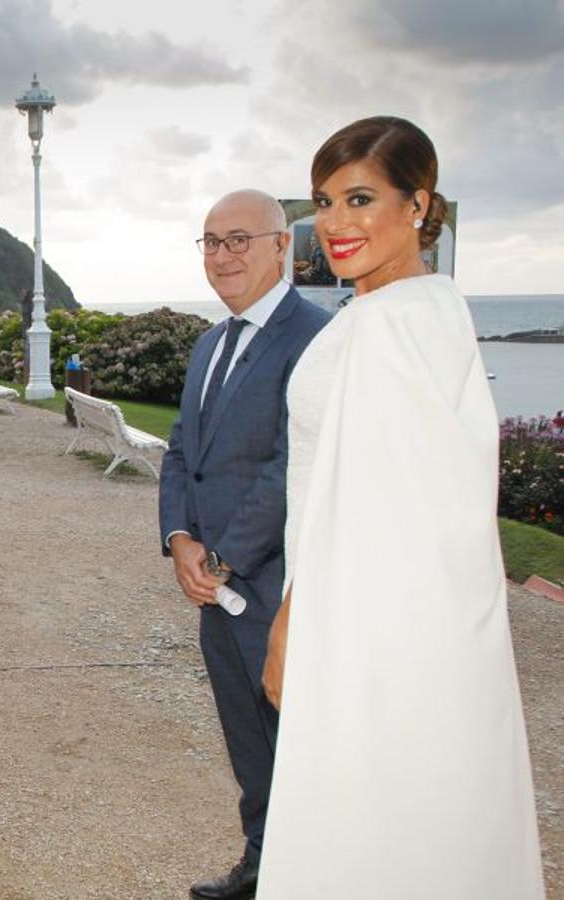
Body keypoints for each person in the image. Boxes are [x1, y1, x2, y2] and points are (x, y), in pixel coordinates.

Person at [257, 117, 544, 899]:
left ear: (417, 205)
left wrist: (291, 623)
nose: (335, 224)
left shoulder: (392, 326)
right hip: (412, 626)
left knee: (368, 827)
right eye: (324, 201)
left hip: (371, 631)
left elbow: (369, 508)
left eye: (360, 198)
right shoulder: (425, 310)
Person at [158, 190, 330, 900]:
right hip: (214, 589)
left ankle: (314, 878)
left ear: (281, 246)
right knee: (249, 746)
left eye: (239, 240)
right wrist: (178, 541)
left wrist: (223, 556)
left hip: (280, 588)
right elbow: (181, 453)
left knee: (303, 748)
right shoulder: (210, 341)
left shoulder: (315, 338)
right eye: (210, 242)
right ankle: (261, 867)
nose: (223, 256)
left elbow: (292, 467)